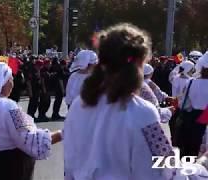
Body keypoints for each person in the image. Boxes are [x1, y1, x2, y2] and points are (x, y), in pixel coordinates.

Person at [64, 23, 172, 180]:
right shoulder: (142, 112)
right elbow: (164, 169)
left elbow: (70, 165)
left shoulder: (78, 105)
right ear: (138, 64)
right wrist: (199, 169)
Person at [176, 52, 208, 157]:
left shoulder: (190, 82)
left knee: (190, 151)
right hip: (205, 119)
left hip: (192, 119)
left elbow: (184, 103)